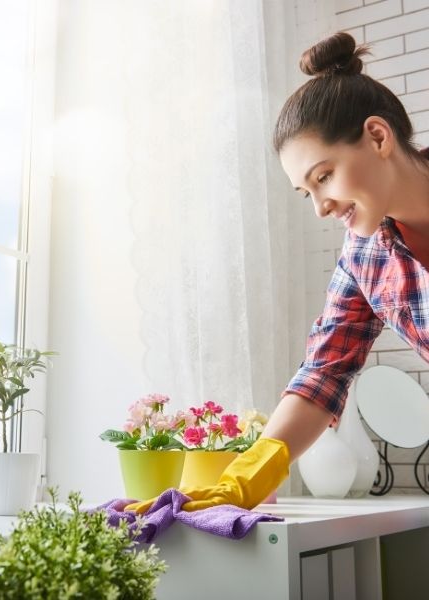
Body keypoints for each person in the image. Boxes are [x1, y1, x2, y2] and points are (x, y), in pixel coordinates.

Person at [126, 31, 429, 514]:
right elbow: (322, 375)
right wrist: (242, 481)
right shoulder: (363, 259)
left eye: (324, 176)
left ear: (377, 136)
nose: (320, 207)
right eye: (305, 191)